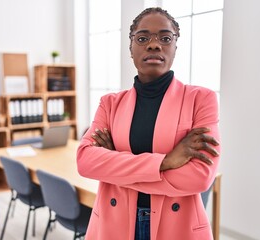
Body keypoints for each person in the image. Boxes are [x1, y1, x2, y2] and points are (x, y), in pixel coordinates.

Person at [77, 7, 220, 240]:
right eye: (142, 38)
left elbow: (200, 176)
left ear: (175, 47)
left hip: (178, 226)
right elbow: (85, 161)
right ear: (130, 48)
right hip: (116, 222)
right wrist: (166, 162)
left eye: (165, 38)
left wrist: (115, 166)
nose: (154, 45)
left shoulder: (201, 99)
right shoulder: (110, 103)